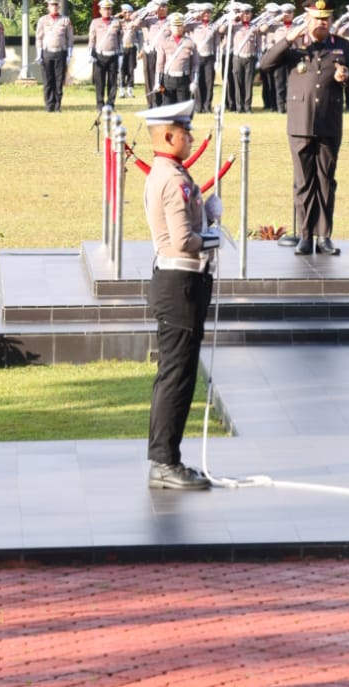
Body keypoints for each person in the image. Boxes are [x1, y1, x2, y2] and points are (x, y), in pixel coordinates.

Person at [143, 98, 222, 491]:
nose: (190, 138)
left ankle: (166, 458)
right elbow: (182, 241)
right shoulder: (172, 180)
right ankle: (164, 461)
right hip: (180, 284)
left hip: (181, 283)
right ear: (169, 135)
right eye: (185, 132)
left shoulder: (172, 173)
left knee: (178, 373)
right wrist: (213, 236)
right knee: (176, 376)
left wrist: (208, 213)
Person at [258, 0, 349, 256]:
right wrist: (289, 39)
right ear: (307, 19)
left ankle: (324, 236)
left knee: (326, 181)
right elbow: (266, 64)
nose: (321, 24)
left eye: (326, 20)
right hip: (300, 123)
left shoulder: (342, 46)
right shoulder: (294, 48)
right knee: (303, 182)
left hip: (328, 122)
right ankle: (305, 235)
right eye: (316, 19)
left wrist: (347, 77)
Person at [36, 0, 74, 112]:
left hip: (61, 53)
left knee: (59, 80)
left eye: (56, 4)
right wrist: (39, 53)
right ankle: (49, 104)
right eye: (52, 4)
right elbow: (39, 38)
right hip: (47, 53)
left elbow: (70, 38)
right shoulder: (42, 20)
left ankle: (57, 105)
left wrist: (69, 54)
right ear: (48, 6)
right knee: (48, 81)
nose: (54, 7)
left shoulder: (65, 20)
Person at [88, 0, 122, 110]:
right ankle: (100, 104)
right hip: (100, 55)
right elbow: (92, 39)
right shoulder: (95, 22)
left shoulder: (116, 22)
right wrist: (90, 53)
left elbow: (120, 39)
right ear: (100, 10)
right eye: (104, 9)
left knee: (112, 81)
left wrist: (121, 55)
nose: (107, 11)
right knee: (100, 81)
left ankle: (110, 104)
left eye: (109, 9)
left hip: (113, 55)